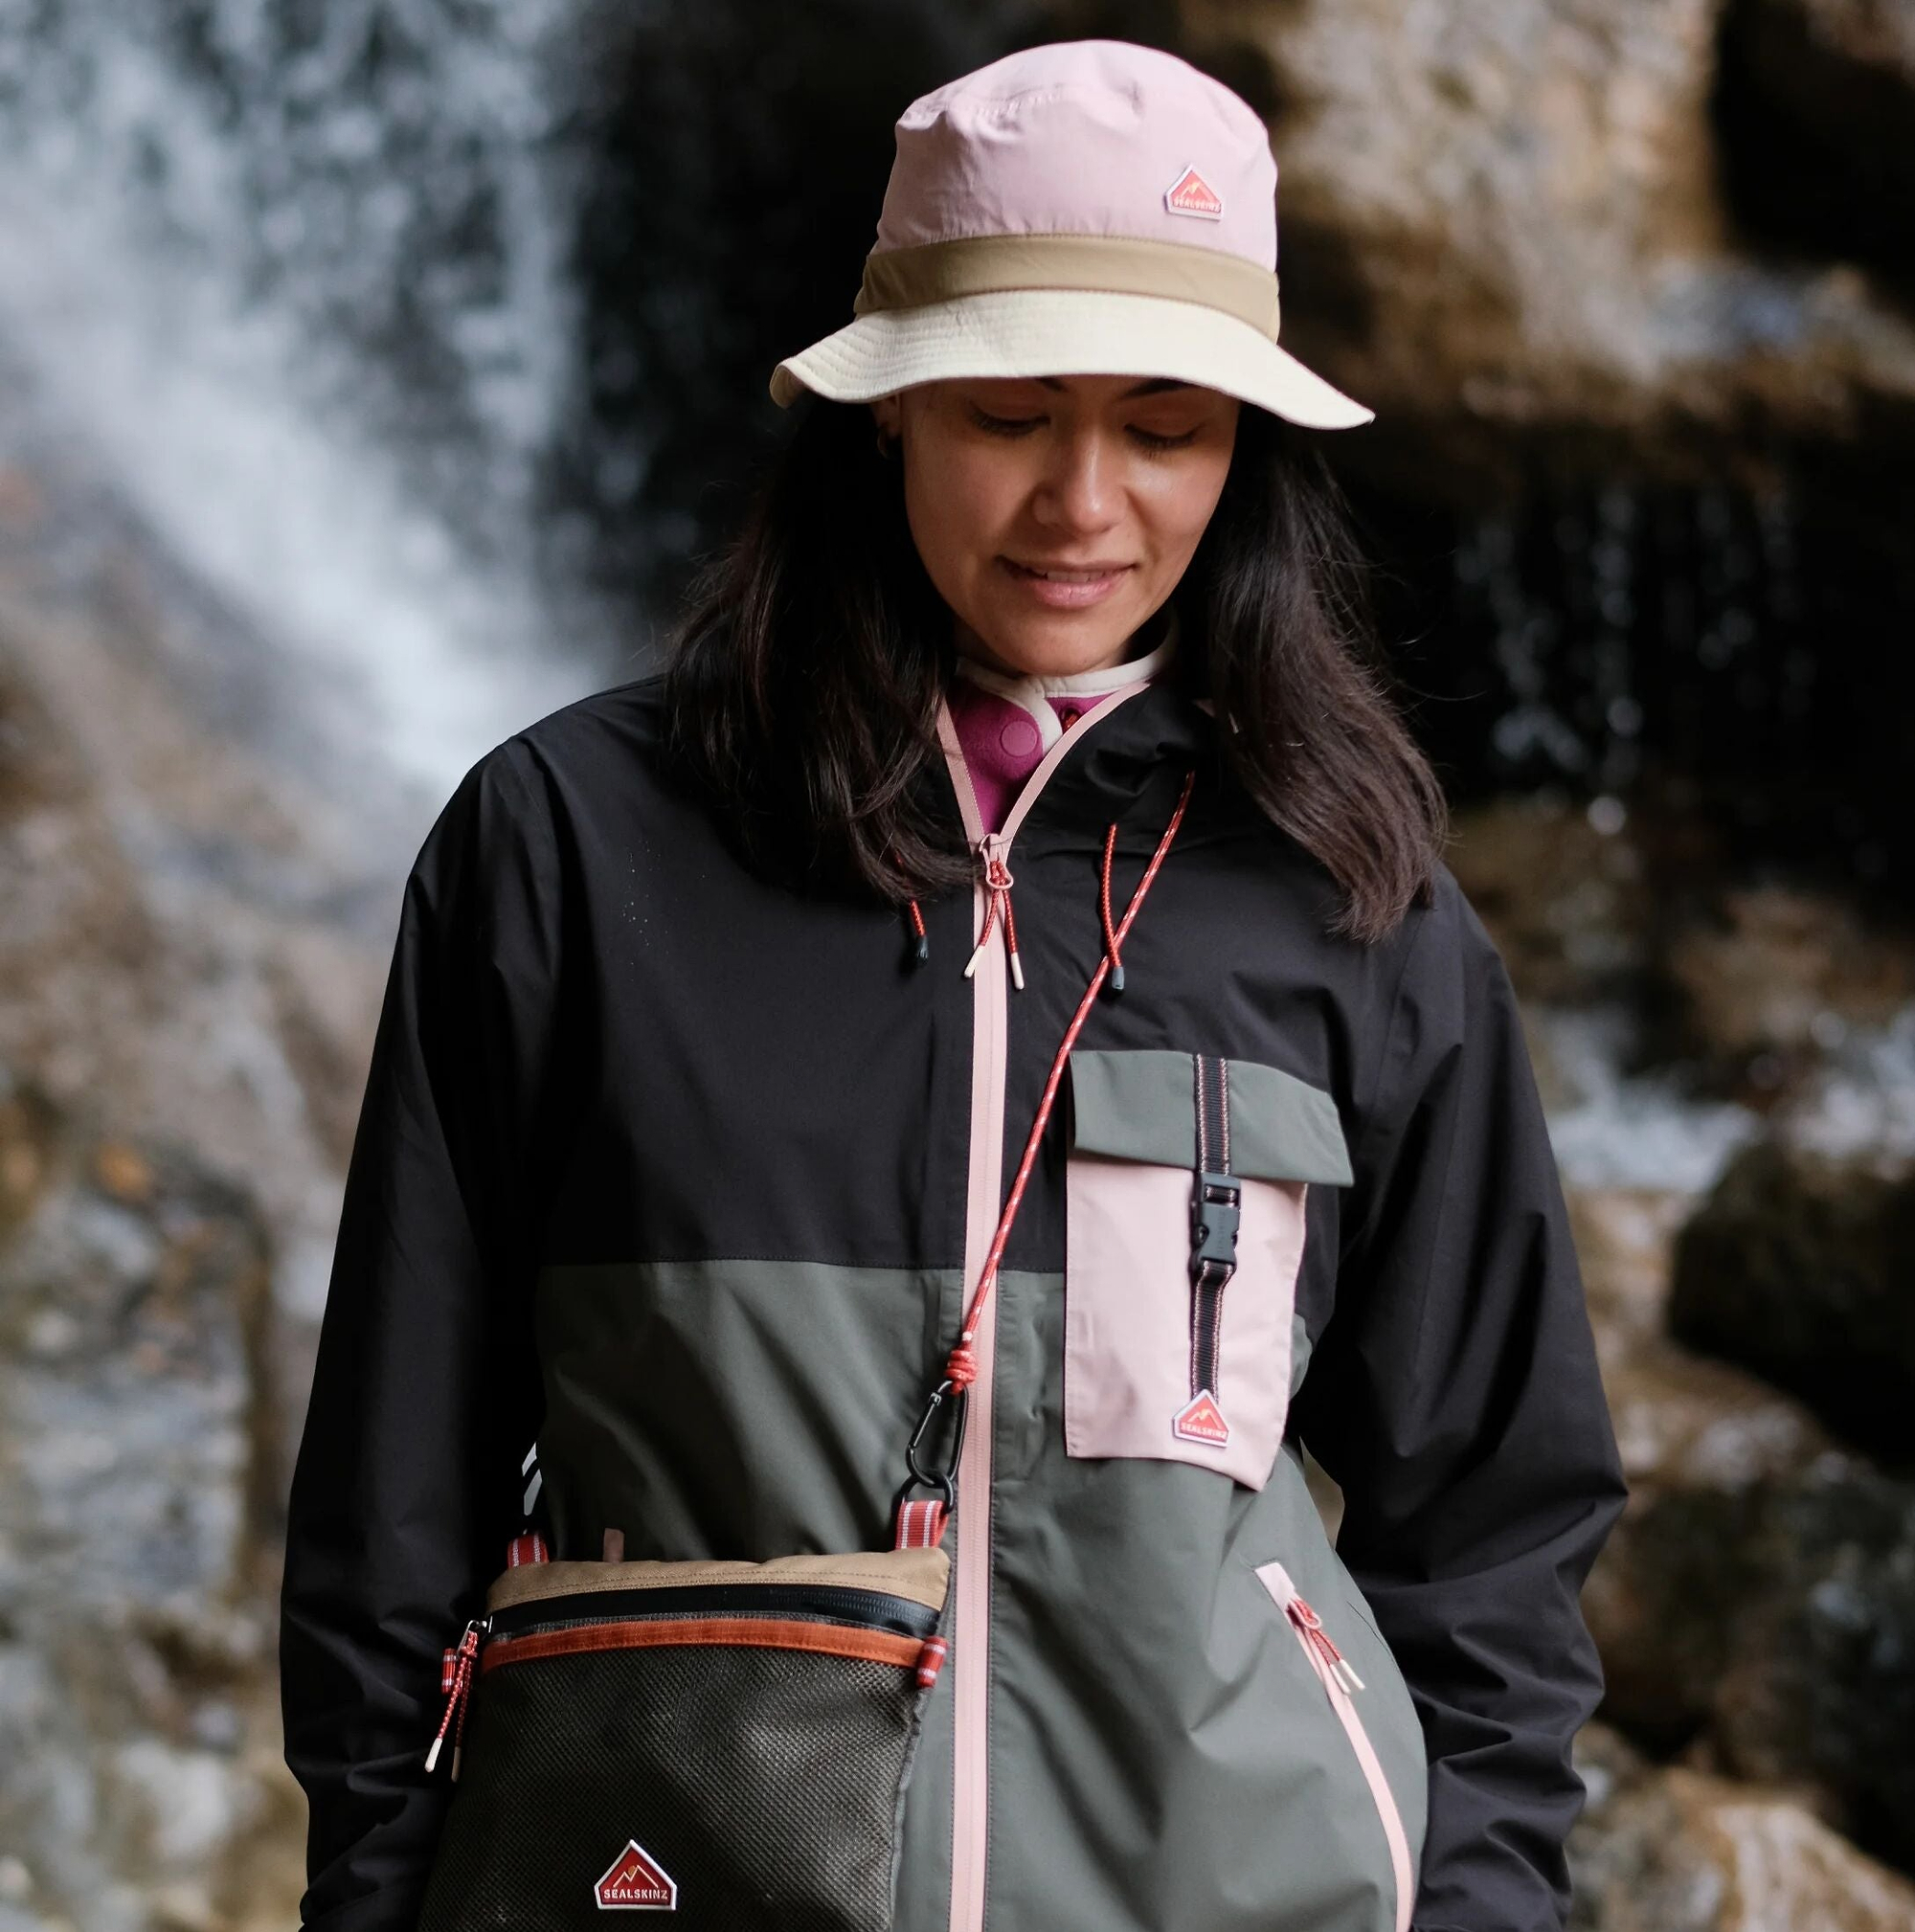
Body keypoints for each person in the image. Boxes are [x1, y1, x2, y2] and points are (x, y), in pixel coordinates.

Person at [280, 37, 1628, 1932]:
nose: (1084, 502)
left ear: (1241, 455)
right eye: (1010, 412)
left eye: (1165, 427)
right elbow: (390, 1499)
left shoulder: (1356, 908)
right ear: (887, 410)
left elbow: (1493, 1530)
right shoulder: (568, 849)